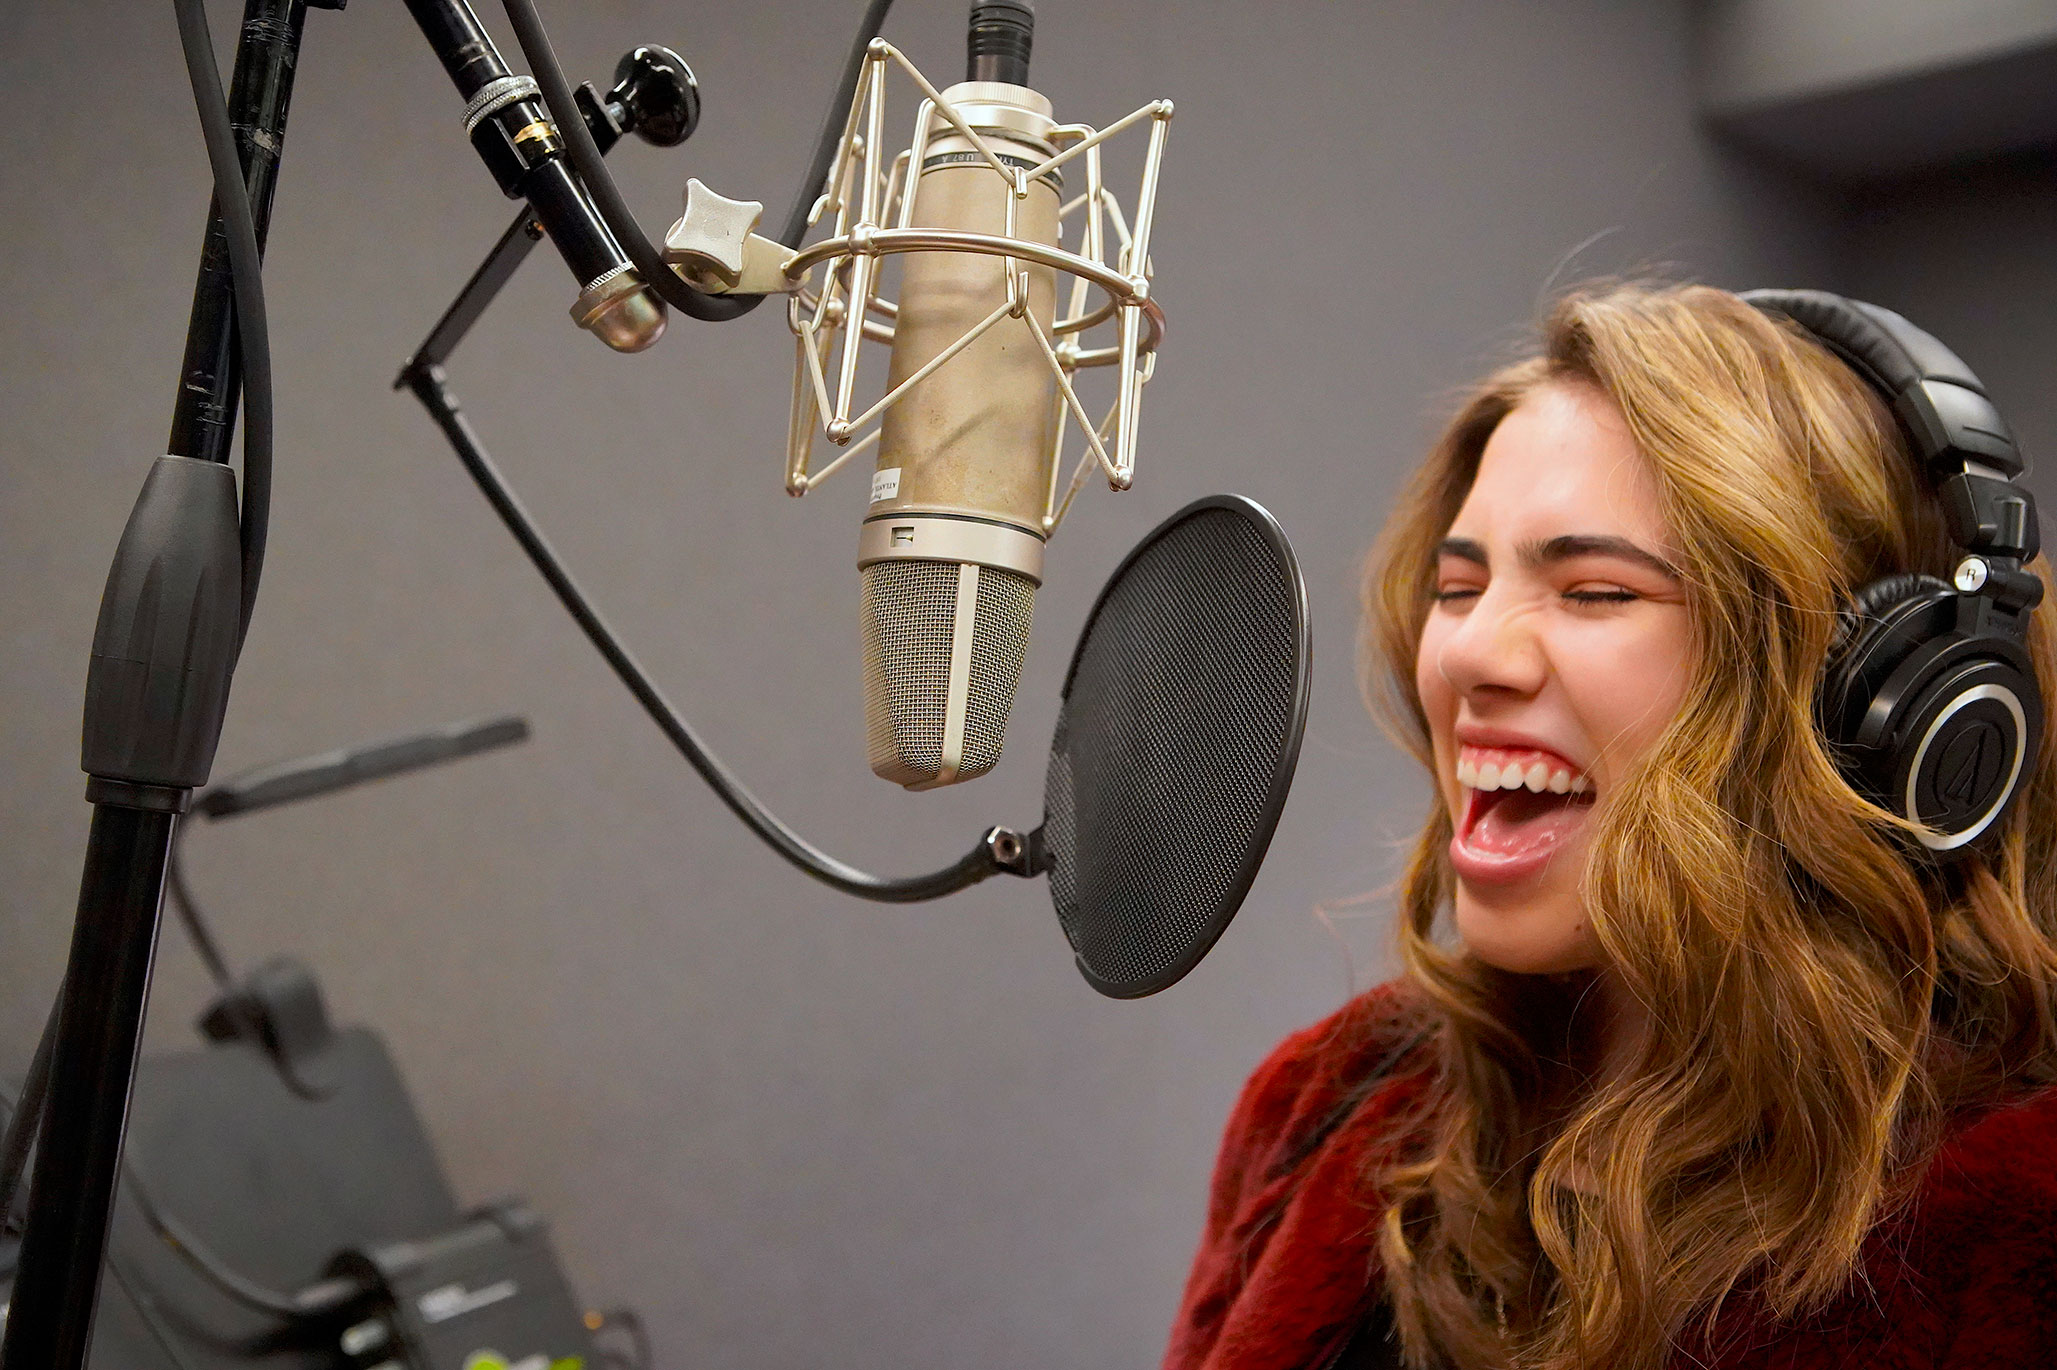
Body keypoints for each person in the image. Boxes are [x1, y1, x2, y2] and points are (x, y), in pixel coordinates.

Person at [1162, 282, 2057, 1370]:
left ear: (1864, 693)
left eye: (1592, 590)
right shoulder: (1318, 1103)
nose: (1469, 653)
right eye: (1456, 585)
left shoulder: (2012, 1212)